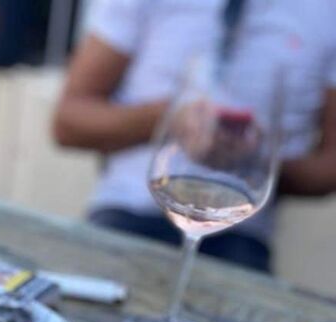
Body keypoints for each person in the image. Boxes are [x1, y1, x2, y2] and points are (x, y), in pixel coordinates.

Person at [52, 0, 336, 271]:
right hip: (128, 211)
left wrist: (257, 162)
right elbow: (67, 121)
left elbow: (329, 168)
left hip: (240, 233)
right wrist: (168, 121)